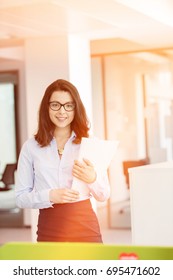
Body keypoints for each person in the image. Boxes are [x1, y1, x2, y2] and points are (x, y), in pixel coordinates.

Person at [15, 79, 110, 243]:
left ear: (75, 108)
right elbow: (21, 198)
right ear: (47, 107)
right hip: (49, 227)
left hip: (85, 226)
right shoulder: (31, 147)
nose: (62, 111)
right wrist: (50, 195)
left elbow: (104, 195)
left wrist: (92, 179)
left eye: (69, 105)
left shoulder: (89, 143)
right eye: (55, 105)